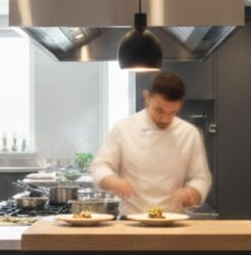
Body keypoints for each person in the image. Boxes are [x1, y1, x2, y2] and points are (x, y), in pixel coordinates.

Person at [90, 72, 212, 215]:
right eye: (159, 110)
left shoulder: (189, 133)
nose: (166, 119)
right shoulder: (124, 128)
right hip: (132, 220)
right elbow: (100, 166)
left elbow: (201, 178)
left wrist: (194, 191)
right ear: (147, 98)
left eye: (172, 112)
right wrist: (111, 180)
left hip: (173, 219)